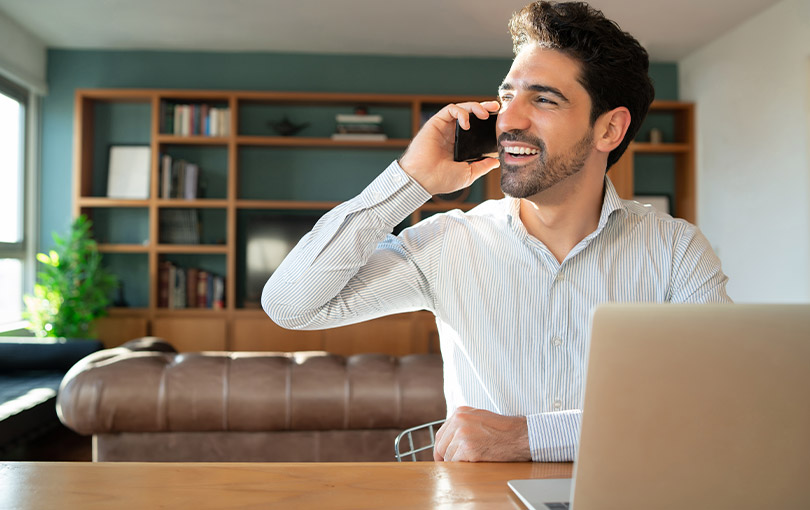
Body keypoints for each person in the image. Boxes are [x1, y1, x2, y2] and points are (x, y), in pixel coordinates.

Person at [262, 1, 731, 463]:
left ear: (609, 130)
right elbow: (292, 305)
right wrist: (410, 180)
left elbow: (717, 402)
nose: (509, 119)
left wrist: (527, 438)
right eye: (507, 96)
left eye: (544, 99)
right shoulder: (448, 242)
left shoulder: (674, 250)